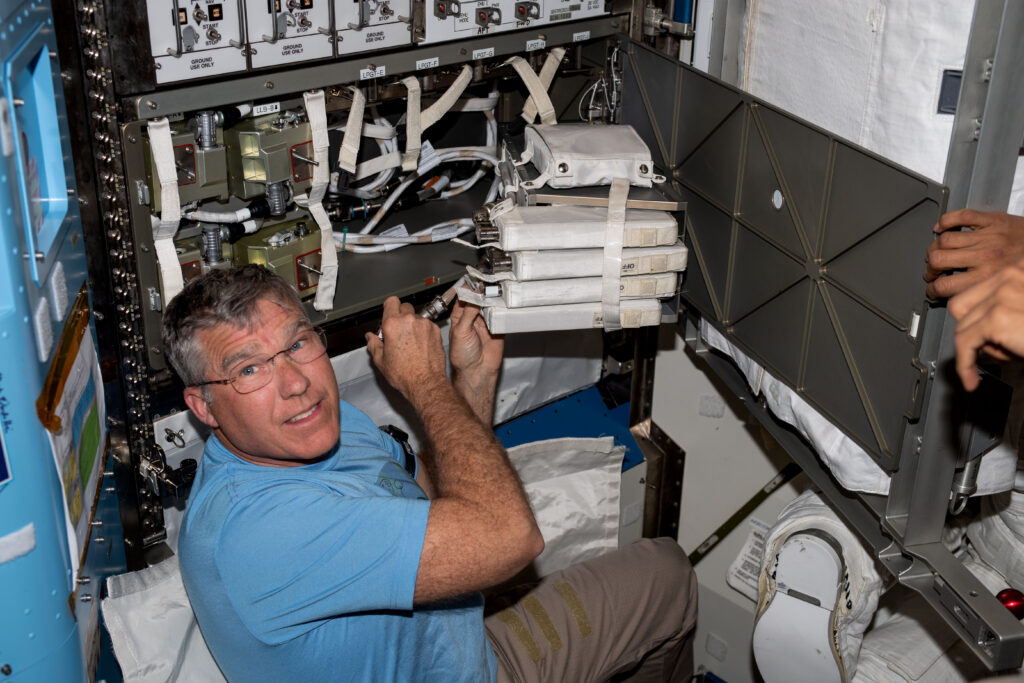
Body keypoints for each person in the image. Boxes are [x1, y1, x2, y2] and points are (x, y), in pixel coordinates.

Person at [160, 264, 697, 682]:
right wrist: (424, 383)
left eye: (297, 343)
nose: (296, 383)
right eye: (249, 369)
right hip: (471, 666)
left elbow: (432, 499)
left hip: (457, 648)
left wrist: (473, 381)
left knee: (667, 576)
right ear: (202, 406)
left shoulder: (324, 422)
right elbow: (510, 539)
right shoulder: (257, 531)